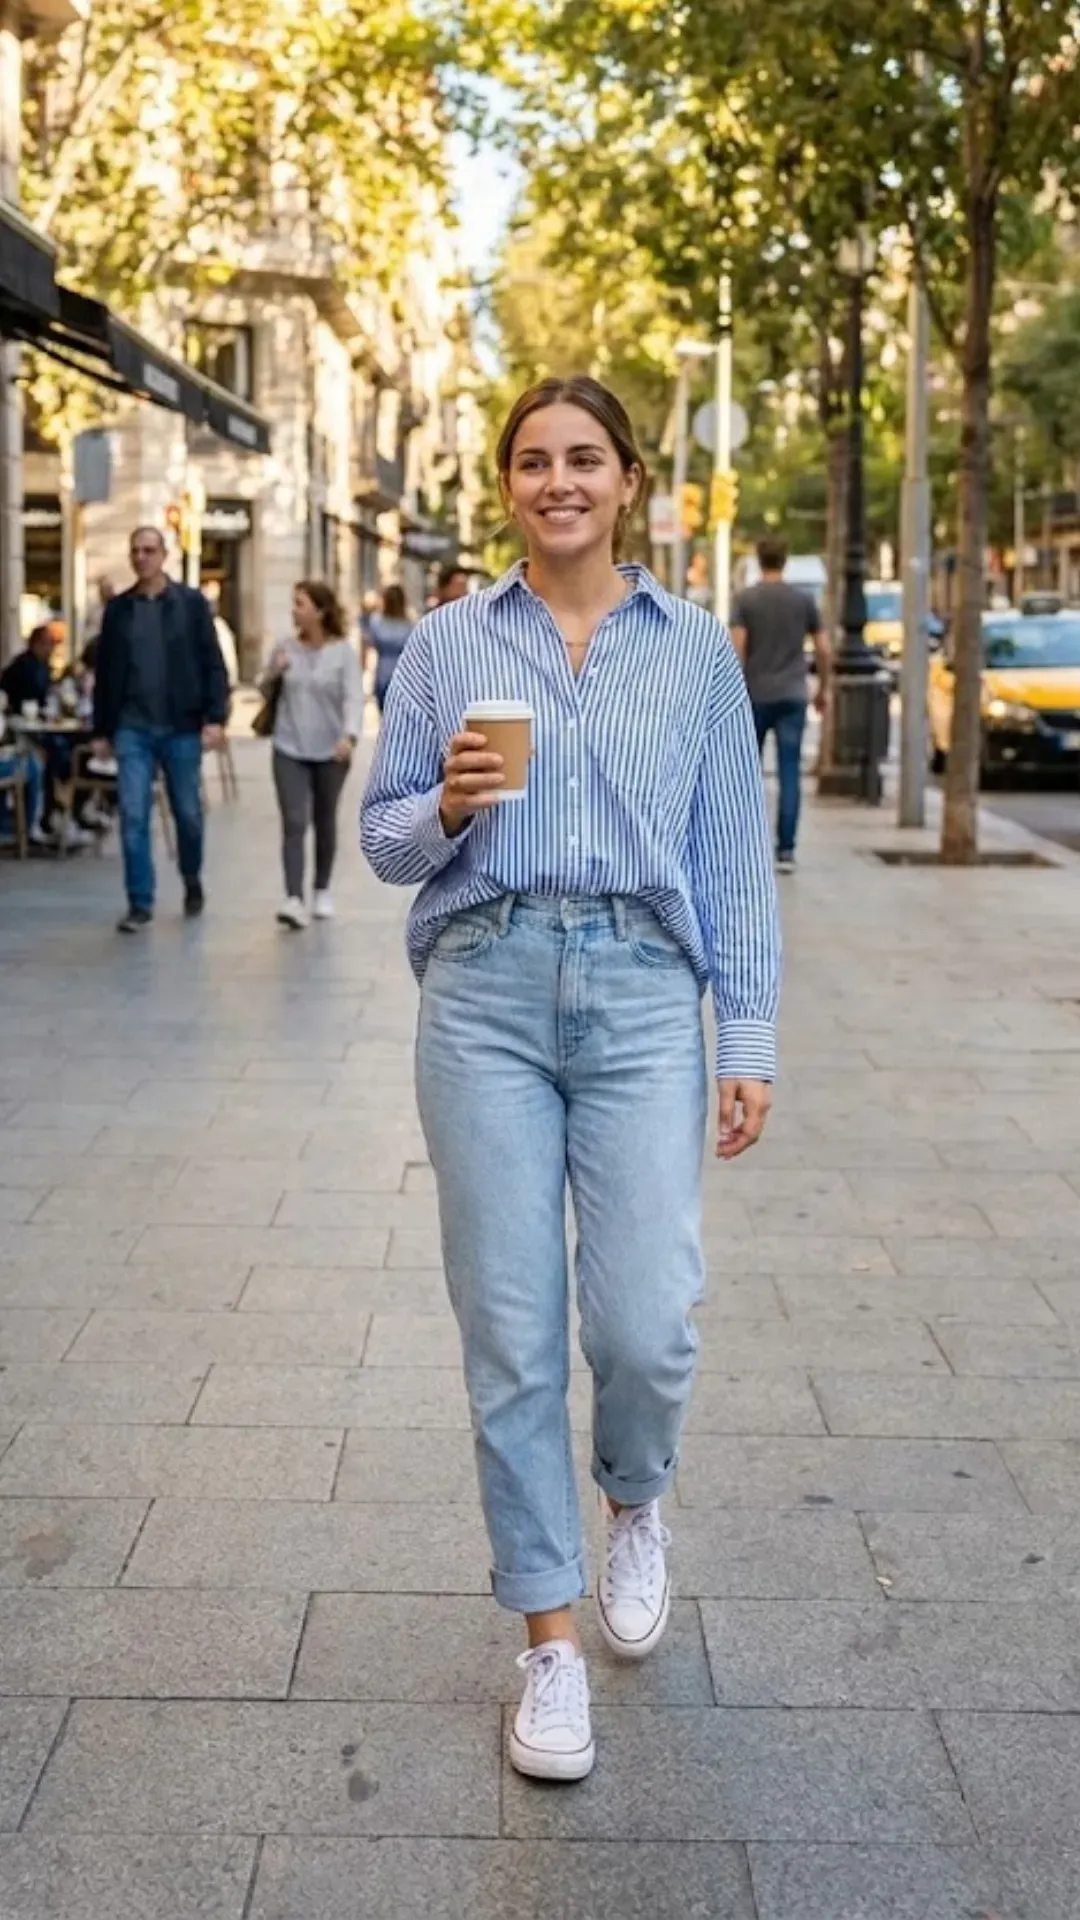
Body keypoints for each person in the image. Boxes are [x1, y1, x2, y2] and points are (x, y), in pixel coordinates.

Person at [361, 374, 779, 1786]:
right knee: (514, 1332)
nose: (559, 482)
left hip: (647, 992)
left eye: (584, 459)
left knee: (650, 1318)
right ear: (507, 486)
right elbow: (383, 844)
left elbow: (730, 854)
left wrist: (751, 1040)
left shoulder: (696, 653)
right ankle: (547, 1641)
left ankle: (637, 1496)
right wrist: (450, 805)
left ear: (630, 480)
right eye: (533, 461)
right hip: (482, 988)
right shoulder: (441, 643)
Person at [92, 525, 227, 933]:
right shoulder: (118, 611)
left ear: (164, 554)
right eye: (135, 551)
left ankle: (191, 877)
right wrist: (102, 730)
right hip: (133, 728)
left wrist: (216, 717)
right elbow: (105, 674)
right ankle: (140, 902)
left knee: (188, 812)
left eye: (149, 550)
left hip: (181, 726)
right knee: (133, 814)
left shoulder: (190, 604)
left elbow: (213, 664)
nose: (141, 558)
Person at [263, 579, 363, 929]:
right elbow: (265, 690)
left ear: (319, 611)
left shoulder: (342, 653)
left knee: (324, 819)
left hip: (331, 750)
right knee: (293, 821)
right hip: (289, 745)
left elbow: (353, 697)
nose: (294, 610)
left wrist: (349, 736)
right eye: (294, 603)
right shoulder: (285, 647)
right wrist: (274, 670)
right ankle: (293, 898)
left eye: (300, 603)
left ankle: (322, 888)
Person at [730, 534, 831, 874]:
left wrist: (732, 693)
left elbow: (737, 649)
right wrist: (823, 688)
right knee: (790, 772)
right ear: (784, 561)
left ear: (759, 560)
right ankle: (786, 850)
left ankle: (747, 846)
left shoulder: (746, 600)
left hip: (754, 695)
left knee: (745, 775)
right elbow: (823, 648)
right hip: (792, 694)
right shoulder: (803, 601)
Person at [366, 583, 414, 713]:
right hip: (404, 675)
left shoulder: (376, 622)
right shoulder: (410, 625)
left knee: (384, 716)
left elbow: (371, 644)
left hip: (383, 672)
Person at [0, 621, 56, 715]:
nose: (50, 649)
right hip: (20, 716)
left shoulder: (44, 665)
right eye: (46, 643)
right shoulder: (22, 665)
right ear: (35, 644)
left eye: (51, 644)